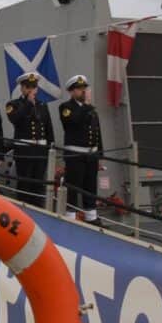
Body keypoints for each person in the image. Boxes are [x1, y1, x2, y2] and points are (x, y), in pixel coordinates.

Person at [59, 75, 103, 225]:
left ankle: (91, 216)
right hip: (75, 154)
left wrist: (100, 153)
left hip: (91, 154)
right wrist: (87, 106)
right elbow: (73, 122)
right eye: (79, 89)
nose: (83, 91)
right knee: (73, 186)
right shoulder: (66, 108)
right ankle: (70, 216)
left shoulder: (91, 110)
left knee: (90, 185)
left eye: (84, 88)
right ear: (72, 92)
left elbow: (97, 131)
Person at [5, 72, 54, 207]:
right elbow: (15, 119)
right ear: (22, 88)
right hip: (24, 151)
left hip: (40, 151)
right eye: (28, 87)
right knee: (25, 183)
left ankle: (38, 210)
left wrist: (50, 149)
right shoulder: (13, 104)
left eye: (34, 87)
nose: (31, 90)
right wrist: (28, 104)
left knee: (38, 184)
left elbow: (48, 128)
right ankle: (24, 210)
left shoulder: (42, 105)